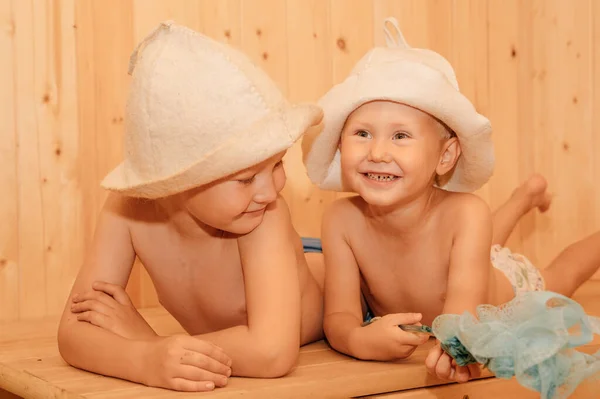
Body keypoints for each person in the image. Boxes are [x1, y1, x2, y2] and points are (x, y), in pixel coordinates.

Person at [302, 17, 600, 384]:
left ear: (445, 157)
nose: (377, 152)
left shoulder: (466, 213)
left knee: (559, 276)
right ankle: (523, 197)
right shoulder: (340, 219)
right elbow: (340, 318)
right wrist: (358, 338)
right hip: (467, 257)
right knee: (483, 245)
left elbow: (464, 317)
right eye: (362, 133)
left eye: (400, 136)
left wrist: (456, 347)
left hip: (501, 295)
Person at [58, 21, 324, 392]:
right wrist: (144, 363)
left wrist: (146, 345)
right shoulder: (127, 210)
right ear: (175, 182)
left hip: (345, 284)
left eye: (278, 164)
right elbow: (74, 332)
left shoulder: (266, 218)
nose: (269, 190)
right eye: (246, 179)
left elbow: (272, 353)